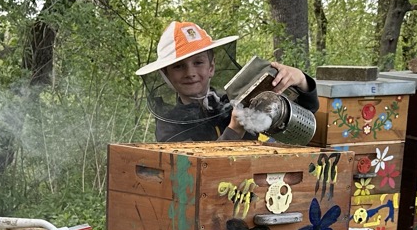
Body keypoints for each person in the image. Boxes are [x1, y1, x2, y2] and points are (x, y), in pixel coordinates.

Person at [135, 20, 318, 143]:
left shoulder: (233, 101)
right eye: (178, 67)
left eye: (198, 62)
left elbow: (304, 120)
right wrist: (235, 129)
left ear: (211, 68)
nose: (190, 73)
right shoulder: (169, 126)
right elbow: (199, 173)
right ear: (166, 75)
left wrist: (301, 80)